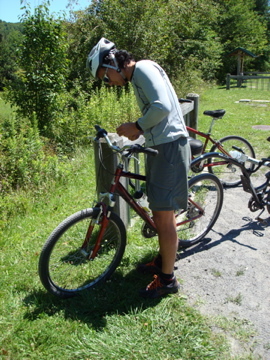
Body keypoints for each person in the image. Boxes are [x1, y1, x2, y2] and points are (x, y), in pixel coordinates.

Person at [86, 38, 190, 299]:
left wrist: (138, 126)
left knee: (164, 218)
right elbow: (157, 112)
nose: (108, 83)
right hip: (162, 146)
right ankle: (162, 261)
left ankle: (167, 280)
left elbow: (162, 107)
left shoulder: (142, 68)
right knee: (159, 211)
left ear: (111, 63)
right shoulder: (137, 75)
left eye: (105, 77)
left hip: (169, 148)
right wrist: (140, 131)